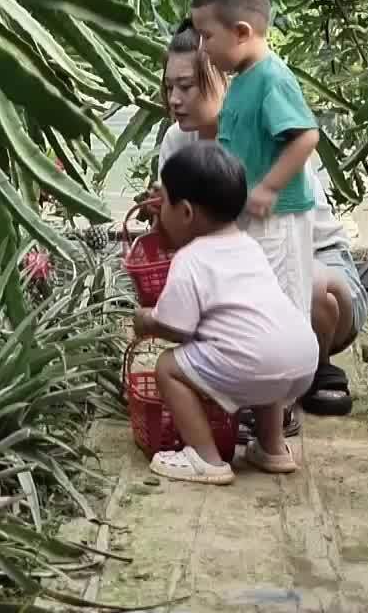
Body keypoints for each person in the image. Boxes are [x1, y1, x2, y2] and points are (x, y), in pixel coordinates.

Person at [150, 26, 364, 419]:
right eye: (169, 88)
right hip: (248, 267)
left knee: (303, 290)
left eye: (187, 87)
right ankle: (262, 389)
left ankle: (315, 366)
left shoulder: (266, 136)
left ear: (222, 78)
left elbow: (289, 238)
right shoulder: (177, 143)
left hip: (316, 263)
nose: (175, 100)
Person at [134, 141, 318, 485]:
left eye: (165, 205)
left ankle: (206, 459)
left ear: (186, 213)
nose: (160, 213)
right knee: (265, 358)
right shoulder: (249, 245)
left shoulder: (191, 259)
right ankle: (273, 447)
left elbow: (176, 327)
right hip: (302, 357)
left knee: (168, 367)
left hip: (258, 360)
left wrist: (146, 319)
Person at [188, 0, 320, 317]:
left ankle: (295, 366)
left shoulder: (272, 78)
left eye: (207, 36)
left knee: (284, 304)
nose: (202, 49)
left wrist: (270, 187)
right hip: (252, 214)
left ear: (242, 33)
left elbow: (306, 136)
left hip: (279, 219)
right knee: (259, 303)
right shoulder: (243, 80)